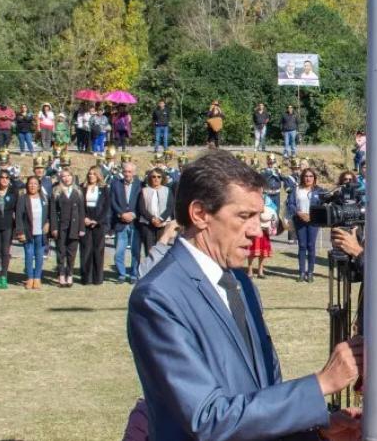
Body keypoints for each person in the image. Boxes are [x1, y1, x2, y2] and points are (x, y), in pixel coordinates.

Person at [127, 149, 363, 441]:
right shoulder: (158, 297)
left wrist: (318, 433)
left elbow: (261, 398)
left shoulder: (240, 282)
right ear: (200, 214)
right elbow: (207, 419)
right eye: (244, 216)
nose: (257, 230)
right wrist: (320, 384)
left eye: (259, 216)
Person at [287, 167, 323, 283]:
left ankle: (310, 272)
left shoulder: (319, 190)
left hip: (313, 221)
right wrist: (299, 213)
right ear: (303, 177)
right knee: (302, 246)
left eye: (311, 176)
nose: (308, 178)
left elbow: (323, 205)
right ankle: (302, 272)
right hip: (300, 220)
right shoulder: (297, 189)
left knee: (311, 245)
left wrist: (313, 215)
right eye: (306, 176)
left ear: (314, 178)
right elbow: (291, 203)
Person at [51, 168, 85, 288]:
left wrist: (82, 228)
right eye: (64, 176)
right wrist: (54, 228)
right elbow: (53, 211)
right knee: (61, 252)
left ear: (72, 176)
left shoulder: (78, 191)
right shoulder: (56, 191)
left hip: (74, 226)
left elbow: (82, 211)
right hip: (61, 226)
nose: (66, 178)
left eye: (68, 176)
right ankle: (61, 275)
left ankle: (69, 274)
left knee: (72, 252)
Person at [15, 175, 49, 289]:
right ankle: (30, 278)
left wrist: (48, 223)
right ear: (27, 185)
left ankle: (37, 278)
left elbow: (48, 214)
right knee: (29, 255)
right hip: (27, 232)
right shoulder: (23, 198)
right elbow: (18, 216)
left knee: (39, 255)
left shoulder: (44, 198)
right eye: (30, 183)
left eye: (35, 183)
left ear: (39, 186)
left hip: (41, 232)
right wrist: (20, 232)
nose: (32, 186)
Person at [112, 161, 142, 284]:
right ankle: (121, 274)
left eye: (129, 172)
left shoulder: (140, 185)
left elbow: (142, 202)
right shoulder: (115, 184)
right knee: (119, 251)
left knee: (135, 251)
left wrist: (133, 214)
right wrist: (121, 214)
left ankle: (134, 274)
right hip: (121, 222)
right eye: (125, 171)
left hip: (135, 223)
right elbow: (112, 202)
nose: (127, 174)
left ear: (134, 173)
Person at [80, 166, 110, 285]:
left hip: (99, 222)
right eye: (90, 173)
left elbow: (107, 207)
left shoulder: (104, 188)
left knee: (98, 250)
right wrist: (85, 218)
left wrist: (97, 221)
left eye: (94, 174)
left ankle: (97, 278)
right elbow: (80, 205)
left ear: (98, 175)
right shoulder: (82, 188)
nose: (91, 176)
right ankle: (86, 278)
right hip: (86, 219)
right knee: (86, 250)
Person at [0, 171, 18, 289]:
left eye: (7, 178)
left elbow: (17, 211)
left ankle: (4, 276)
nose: (4, 180)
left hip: (8, 227)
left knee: (5, 252)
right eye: (2, 177)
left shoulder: (13, 192)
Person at [138, 168, 174, 257]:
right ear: (150, 178)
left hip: (163, 224)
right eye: (153, 176)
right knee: (149, 250)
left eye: (159, 177)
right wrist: (152, 219)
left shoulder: (167, 190)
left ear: (162, 178)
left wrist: (161, 219)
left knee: (161, 250)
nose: (156, 179)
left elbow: (170, 207)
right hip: (148, 224)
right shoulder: (144, 190)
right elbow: (141, 208)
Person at [248, 194, 277, 279]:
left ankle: (260, 271)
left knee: (263, 252)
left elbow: (273, 210)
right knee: (252, 251)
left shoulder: (267, 198)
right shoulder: (251, 197)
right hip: (254, 229)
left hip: (265, 230)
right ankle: (250, 270)